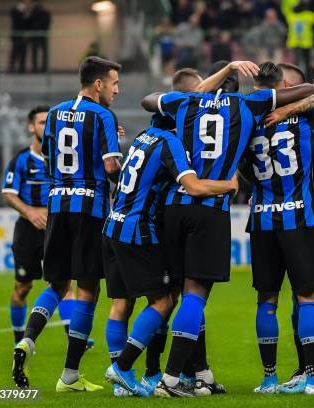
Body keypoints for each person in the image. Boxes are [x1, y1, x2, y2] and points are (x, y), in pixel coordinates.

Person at [140, 59, 314, 397]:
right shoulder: (248, 103)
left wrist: (207, 84)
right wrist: (281, 104)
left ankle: (192, 373)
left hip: (174, 207)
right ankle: (171, 378)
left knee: (177, 294)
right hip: (211, 208)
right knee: (196, 295)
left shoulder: (185, 100)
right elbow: (308, 89)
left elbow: (148, 99)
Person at [103, 114, 238, 397]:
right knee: (165, 300)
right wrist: (230, 185)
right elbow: (195, 187)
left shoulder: (144, 136)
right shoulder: (170, 141)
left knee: (126, 302)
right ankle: (125, 367)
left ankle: (157, 375)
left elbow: (115, 171)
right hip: (136, 229)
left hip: (113, 224)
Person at [12, 56, 124, 392]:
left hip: (57, 207)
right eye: (115, 83)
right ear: (99, 84)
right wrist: (123, 157)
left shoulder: (56, 113)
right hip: (89, 208)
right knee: (88, 288)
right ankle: (70, 374)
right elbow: (111, 168)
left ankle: (26, 342)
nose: (117, 90)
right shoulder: (103, 115)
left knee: (58, 285)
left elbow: (48, 157)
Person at [243, 61, 314, 395]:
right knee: (309, 296)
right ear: (283, 86)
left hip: (261, 217)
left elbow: (242, 167)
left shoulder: (245, 119)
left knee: (267, 300)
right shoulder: (305, 116)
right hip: (299, 216)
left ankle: (269, 378)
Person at [2, 106, 81, 348]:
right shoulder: (21, 160)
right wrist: (30, 211)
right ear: (31, 127)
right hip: (27, 230)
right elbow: (8, 193)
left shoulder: (63, 158)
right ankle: (19, 338)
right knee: (23, 287)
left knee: (64, 282)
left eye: (49, 122)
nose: (46, 127)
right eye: (40, 123)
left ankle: (73, 337)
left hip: (55, 228)